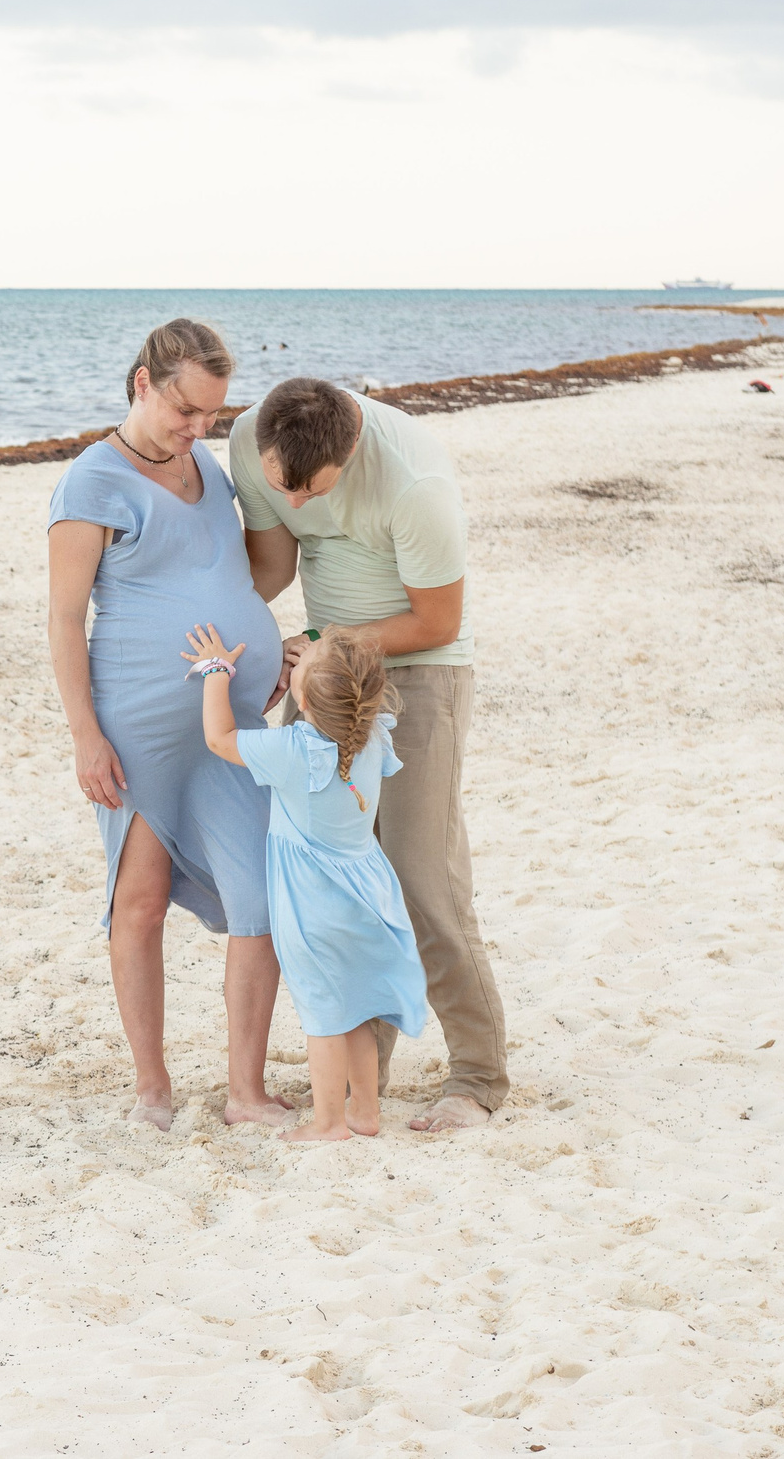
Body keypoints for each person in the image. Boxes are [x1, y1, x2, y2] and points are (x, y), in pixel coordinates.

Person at [231, 377, 505, 1133]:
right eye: (276, 485)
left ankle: (477, 1079)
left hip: (419, 667)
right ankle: (365, 1075)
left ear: (347, 458)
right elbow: (272, 569)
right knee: (333, 880)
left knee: (424, 880)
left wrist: (321, 641)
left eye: (306, 492)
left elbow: (436, 619)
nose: (288, 503)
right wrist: (236, 645)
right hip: (325, 673)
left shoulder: (414, 483)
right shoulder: (261, 439)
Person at [47, 321, 290, 1132]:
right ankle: (152, 1088)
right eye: (187, 411)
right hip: (142, 725)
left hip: (235, 724)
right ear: (143, 382)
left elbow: (240, 573)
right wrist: (86, 734)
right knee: (140, 901)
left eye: (214, 417)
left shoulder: (208, 468)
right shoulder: (90, 485)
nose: (200, 430)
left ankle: (245, 1093)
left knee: (262, 901)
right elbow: (63, 618)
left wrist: (274, 644)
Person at [185, 623, 429, 1142]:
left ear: (303, 701)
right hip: (368, 894)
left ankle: (328, 1122)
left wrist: (215, 672)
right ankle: (364, 1113)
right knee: (356, 1009)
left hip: (314, 905)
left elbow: (217, 738)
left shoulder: (294, 750)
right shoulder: (374, 734)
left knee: (323, 1014)